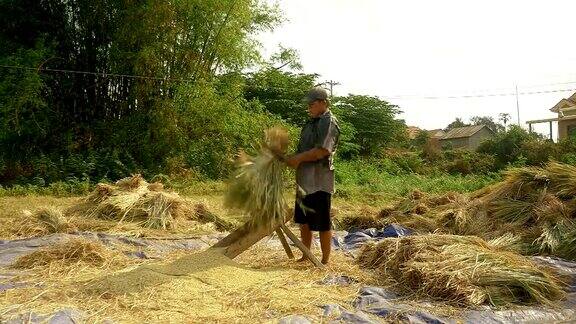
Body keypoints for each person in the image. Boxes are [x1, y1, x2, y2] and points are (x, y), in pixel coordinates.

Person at [285, 87, 340, 265]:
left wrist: (298, 158)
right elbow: (304, 149)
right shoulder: (310, 123)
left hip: (320, 181)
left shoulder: (328, 122)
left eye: (312, 104)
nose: (309, 107)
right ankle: (305, 254)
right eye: (308, 104)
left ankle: (324, 260)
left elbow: (323, 150)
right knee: (304, 221)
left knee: (322, 222)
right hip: (304, 180)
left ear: (324, 102)